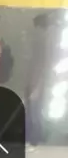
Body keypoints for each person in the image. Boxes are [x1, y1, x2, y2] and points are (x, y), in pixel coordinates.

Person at [25, 12, 57, 147]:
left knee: (35, 110)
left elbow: (43, 65)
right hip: (34, 80)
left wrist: (37, 85)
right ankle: (33, 137)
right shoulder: (42, 42)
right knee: (33, 110)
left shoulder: (43, 42)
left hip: (37, 81)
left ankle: (34, 138)